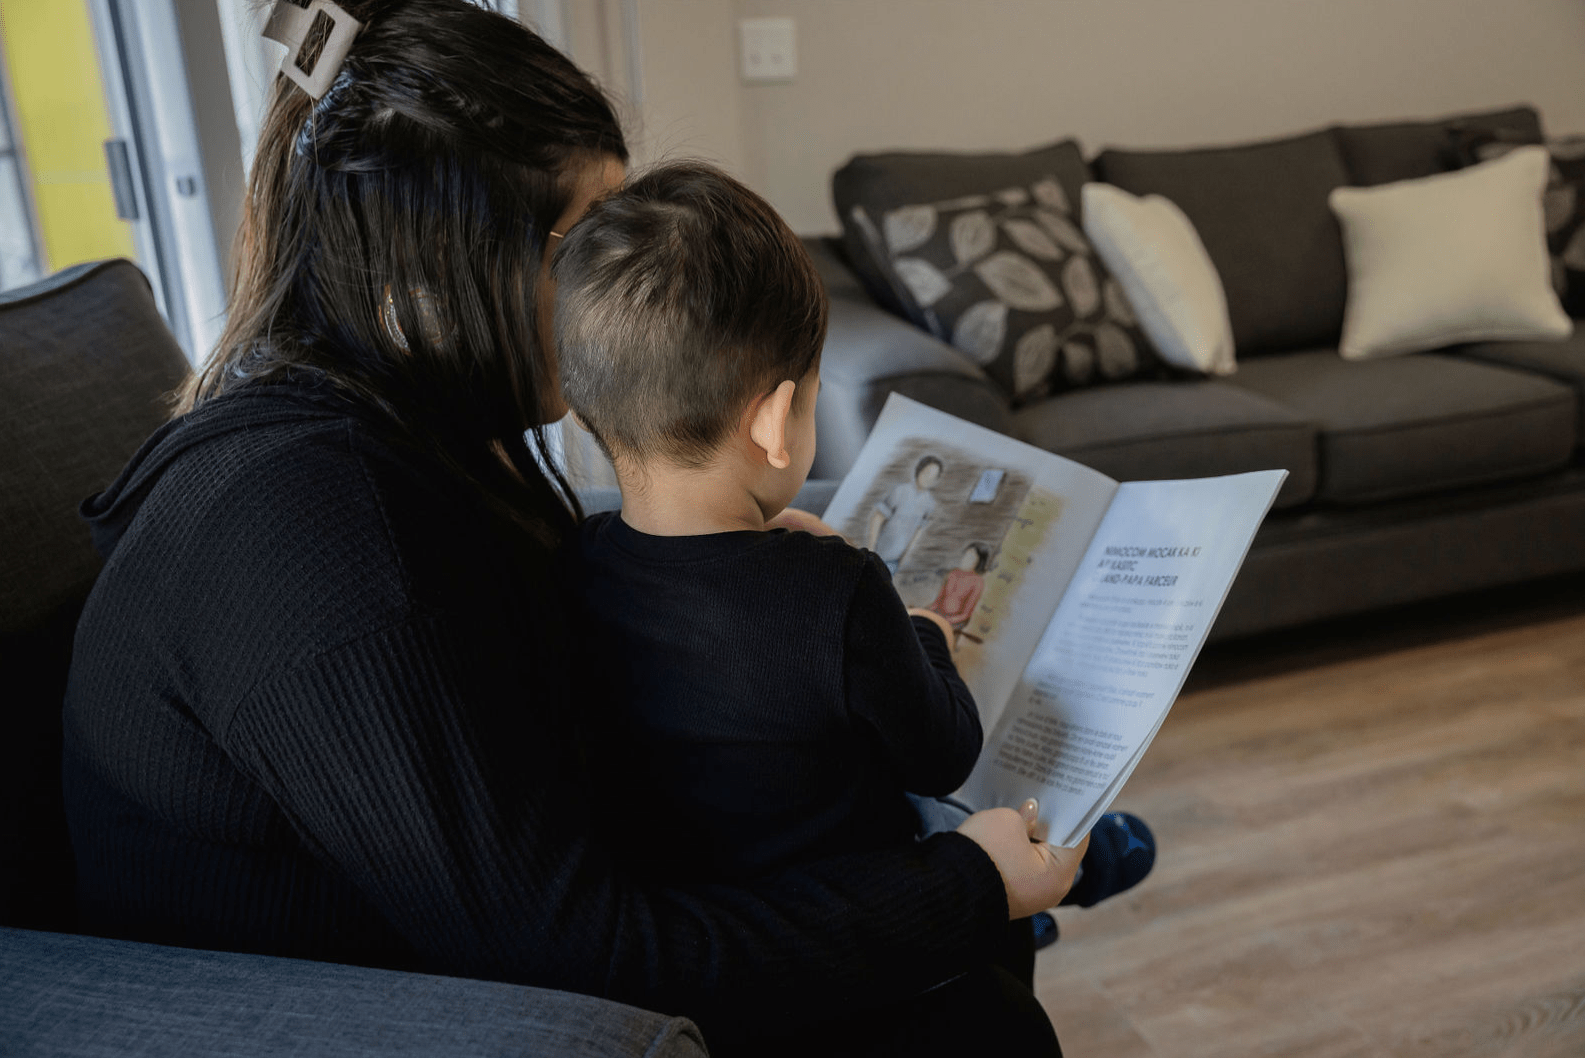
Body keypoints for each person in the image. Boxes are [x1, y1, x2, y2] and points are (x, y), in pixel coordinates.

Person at [61, 2, 1085, 1055]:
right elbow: (570, 952)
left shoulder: (420, 424)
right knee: (981, 1005)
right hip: (392, 1010)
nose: (629, 281)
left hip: (524, 917)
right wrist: (955, 888)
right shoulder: (316, 530)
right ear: (447, 268)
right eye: (591, 238)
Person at [868, 454, 944, 572]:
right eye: (927, 472)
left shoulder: (930, 503)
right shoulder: (901, 491)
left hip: (894, 561)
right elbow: (878, 518)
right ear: (919, 470)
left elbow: (918, 532)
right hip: (878, 552)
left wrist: (906, 556)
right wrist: (871, 549)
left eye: (933, 476)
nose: (929, 478)